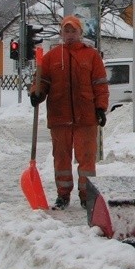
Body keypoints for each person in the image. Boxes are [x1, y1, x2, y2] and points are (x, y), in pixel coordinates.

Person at [30, 15, 109, 210]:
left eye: (74, 30)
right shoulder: (52, 57)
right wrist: (36, 93)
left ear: (80, 33)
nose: (70, 34)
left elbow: (100, 84)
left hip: (86, 116)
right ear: (61, 33)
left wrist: (100, 107)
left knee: (87, 158)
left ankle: (87, 196)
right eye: (66, 30)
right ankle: (63, 195)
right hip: (59, 116)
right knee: (62, 158)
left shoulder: (91, 55)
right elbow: (41, 81)